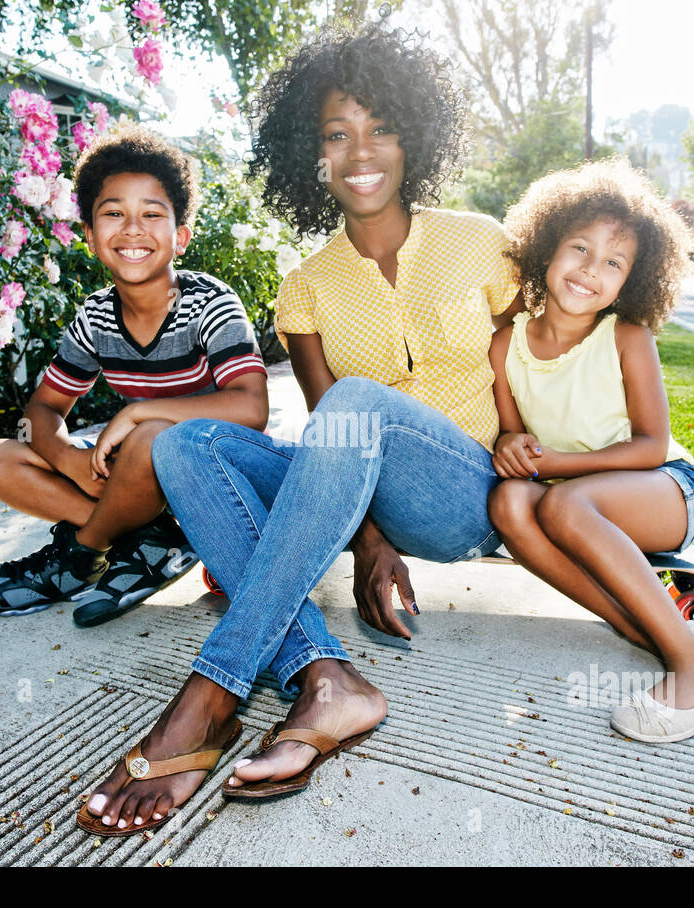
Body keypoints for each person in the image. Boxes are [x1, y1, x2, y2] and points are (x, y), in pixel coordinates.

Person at [75, 24, 523, 837]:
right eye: (335, 133)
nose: (361, 151)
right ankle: (322, 673)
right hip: (360, 501)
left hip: (466, 493)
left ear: (414, 135)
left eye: (381, 126)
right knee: (185, 444)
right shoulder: (306, 285)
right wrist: (370, 540)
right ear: (310, 154)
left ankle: (211, 692)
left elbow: (542, 371)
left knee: (355, 399)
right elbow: (330, 436)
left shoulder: (485, 244)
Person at [0, 125, 269, 627]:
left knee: (151, 436)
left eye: (152, 214)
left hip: (214, 479)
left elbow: (251, 407)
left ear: (181, 237)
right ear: (90, 236)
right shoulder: (95, 318)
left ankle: (79, 556)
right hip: (134, 484)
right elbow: (43, 408)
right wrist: (66, 458)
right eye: (113, 214)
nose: (132, 228)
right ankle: (151, 543)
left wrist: (139, 411)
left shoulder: (210, 303)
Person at [487, 157, 694, 743]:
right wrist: (512, 448)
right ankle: (643, 628)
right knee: (508, 505)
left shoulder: (626, 338)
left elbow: (652, 446)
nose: (590, 270)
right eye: (579, 248)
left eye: (613, 262)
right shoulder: (506, 344)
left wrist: (557, 466)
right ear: (546, 248)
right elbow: (509, 431)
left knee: (561, 505)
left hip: (666, 491)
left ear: (633, 279)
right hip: (574, 497)